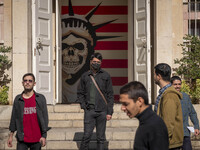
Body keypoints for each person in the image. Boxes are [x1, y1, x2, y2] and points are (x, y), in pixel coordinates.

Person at [77, 52, 114, 150]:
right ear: (90, 62)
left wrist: (109, 112)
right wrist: (84, 106)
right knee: (86, 136)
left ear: (101, 63)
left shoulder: (106, 75)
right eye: (94, 61)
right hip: (90, 111)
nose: (96, 63)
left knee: (101, 138)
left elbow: (110, 95)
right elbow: (80, 93)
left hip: (102, 111)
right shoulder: (85, 76)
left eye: (98, 62)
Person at [119, 81, 169, 150]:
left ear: (140, 101)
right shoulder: (146, 122)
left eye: (126, 104)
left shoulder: (155, 125)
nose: (122, 108)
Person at [7, 73, 49, 150]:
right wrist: (11, 136)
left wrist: (44, 136)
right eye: (25, 80)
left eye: (30, 81)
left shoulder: (40, 98)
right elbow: (14, 117)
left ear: (34, 83)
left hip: (37, 138)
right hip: (22, 138)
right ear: (22, 83)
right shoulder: (18, 99)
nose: (27, 82)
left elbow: (45, 118)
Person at [154, 63, 184, 150]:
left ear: (159, 76)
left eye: (154, 74)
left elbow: (168, 123)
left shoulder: (169, 95)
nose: (154, 77)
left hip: (170, 144)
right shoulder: (164, 93)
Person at [171, 76, 200, 150]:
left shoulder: (185, 97)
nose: (178, 86)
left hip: (185, 132)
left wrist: (196, 126)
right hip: (173, 134)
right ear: (171, 85)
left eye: (179, 84)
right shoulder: (168, 97)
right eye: (175, 84)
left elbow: (192, 113)